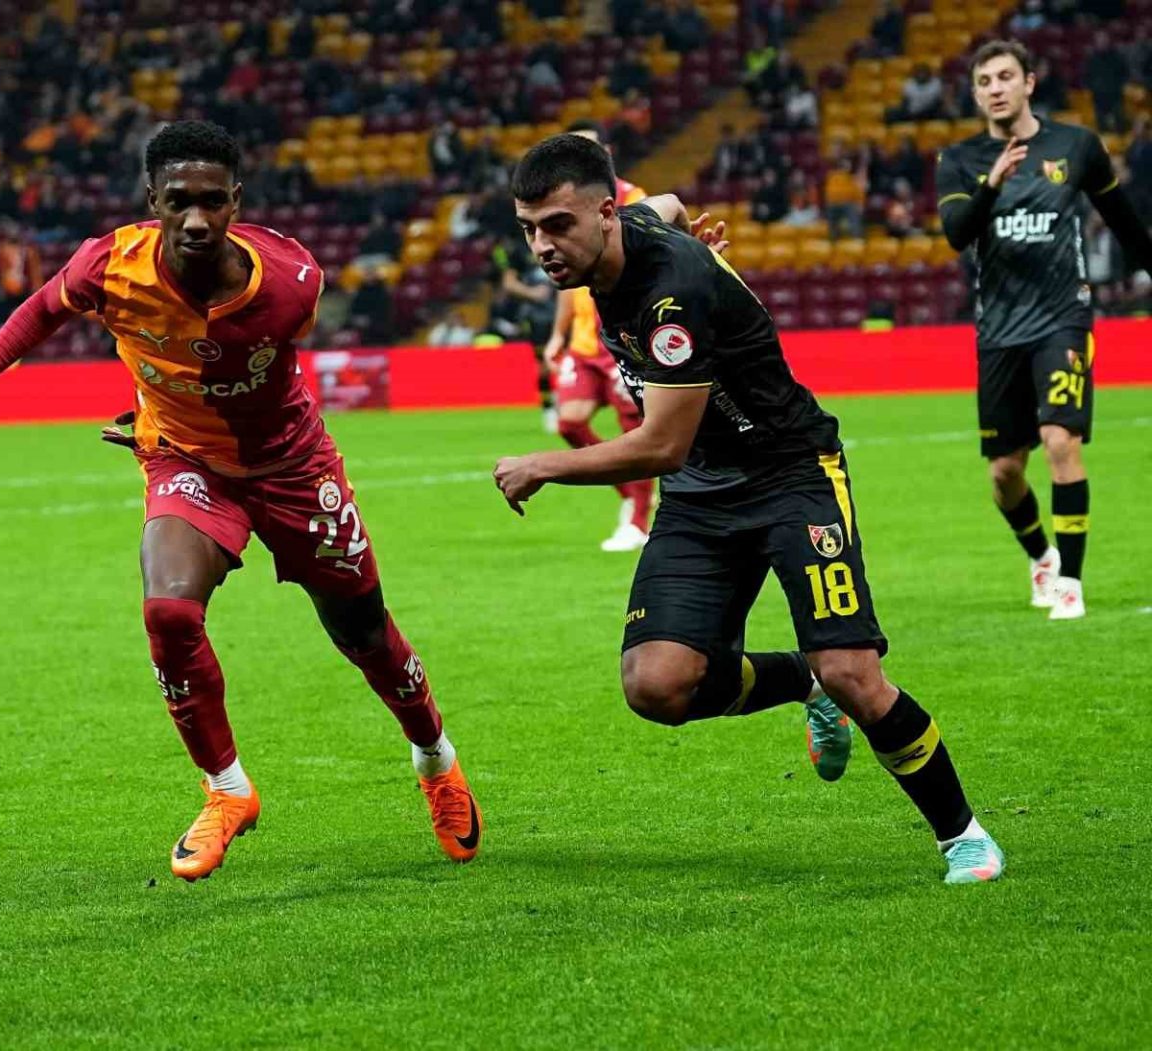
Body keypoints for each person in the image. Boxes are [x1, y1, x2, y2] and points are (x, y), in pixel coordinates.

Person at [0, 121, 481, 882]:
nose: (197, 218)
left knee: (364, 633)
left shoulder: (291, 282)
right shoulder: (110, 264)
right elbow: (41, 309)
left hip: (293, 467)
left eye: (213, 201)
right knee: (169, 611)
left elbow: (258, 372)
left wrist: (183, 390)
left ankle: (435, 758)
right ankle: (227, 790)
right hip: (187, 462)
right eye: (179, 201)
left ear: (236, 200)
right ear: (154, 201)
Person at [493, 132, 1005, 884]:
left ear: (604, 213)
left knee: (853, 673)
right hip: (704, 489)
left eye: (558, 225)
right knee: (656, 685)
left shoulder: (669, 296)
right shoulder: (631, 230)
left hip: (790, 472)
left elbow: (660, 445)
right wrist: (691, 235)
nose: (542, 246)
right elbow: (668, 204)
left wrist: (544, 463)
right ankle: (801, 682)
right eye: (529, 228)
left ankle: (962, 834)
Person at [937, 40, 1152, 620]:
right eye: (985, 81)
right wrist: (991, 185)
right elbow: (956, 233)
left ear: (1029, 82)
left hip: (1063, 319)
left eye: (1006, 76)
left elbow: (1125, 222)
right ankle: (1041, 557)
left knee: (1061, 440)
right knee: (1005, 473)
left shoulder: (1075, 146)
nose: (996, 88)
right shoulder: (958, 159)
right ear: (976, 94)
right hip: (999, 330)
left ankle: (1071, 584)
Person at [543, 120, 654, 551]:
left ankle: (638, 522)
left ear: (604, 154)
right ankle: (631, 492)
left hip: (622, 335)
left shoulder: (631, 197)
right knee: (570, 422)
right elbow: (565, 278)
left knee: (634, 431)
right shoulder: (559, 207)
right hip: (585, 342)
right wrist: (558, 334)